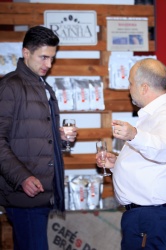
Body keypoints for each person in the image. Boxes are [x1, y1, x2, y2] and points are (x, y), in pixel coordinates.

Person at [96, 58, 166, 249]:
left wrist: (134, 134)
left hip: (153, 215)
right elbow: (152, 160)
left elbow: (163, 149)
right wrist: (118, 164)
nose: (128, 88)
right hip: (148, 214)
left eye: (131, 83)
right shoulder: (155, 115)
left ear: (144, 87)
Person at [0, 26, 77, 250]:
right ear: (26, 53)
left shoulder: (44, 87)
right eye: (43, 57)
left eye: (52, 58)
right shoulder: (9, 87)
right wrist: (22, 177)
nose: (49, 65)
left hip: (42, 193)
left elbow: (39, 138)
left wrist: (61, 138)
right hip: (24, 194)